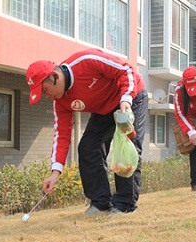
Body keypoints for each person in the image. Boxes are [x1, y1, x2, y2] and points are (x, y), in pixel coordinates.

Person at [25, 48, 148, 215]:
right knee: (88, 147)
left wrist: (126, 98)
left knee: (128, 147)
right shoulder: (59, 101)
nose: (46, 96)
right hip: (103, 110)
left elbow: (127, 70)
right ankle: (100, 202)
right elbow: (61, 135)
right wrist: (55, 172)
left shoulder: (87, 60)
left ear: (54, 77)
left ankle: (124, 205)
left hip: (129, 98)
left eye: (44, 90)